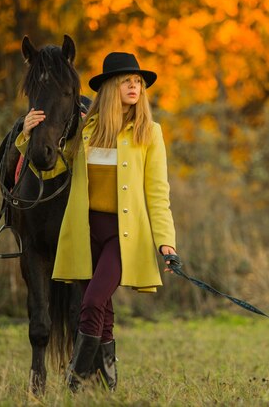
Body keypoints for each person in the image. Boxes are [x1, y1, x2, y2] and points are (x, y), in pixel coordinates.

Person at [16, 51, 179, 392]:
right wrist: (25, 138)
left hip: (122, 237)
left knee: (91, 301)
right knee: (102, 309)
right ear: (109, 88)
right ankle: (108, 386)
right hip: (87, 232)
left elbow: (157, 194)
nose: (135, 87)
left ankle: (75, 383)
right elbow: (59, 170)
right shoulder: (87, 132)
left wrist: (166, 243)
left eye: (138, 82)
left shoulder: (149, 133)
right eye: (127, 82)